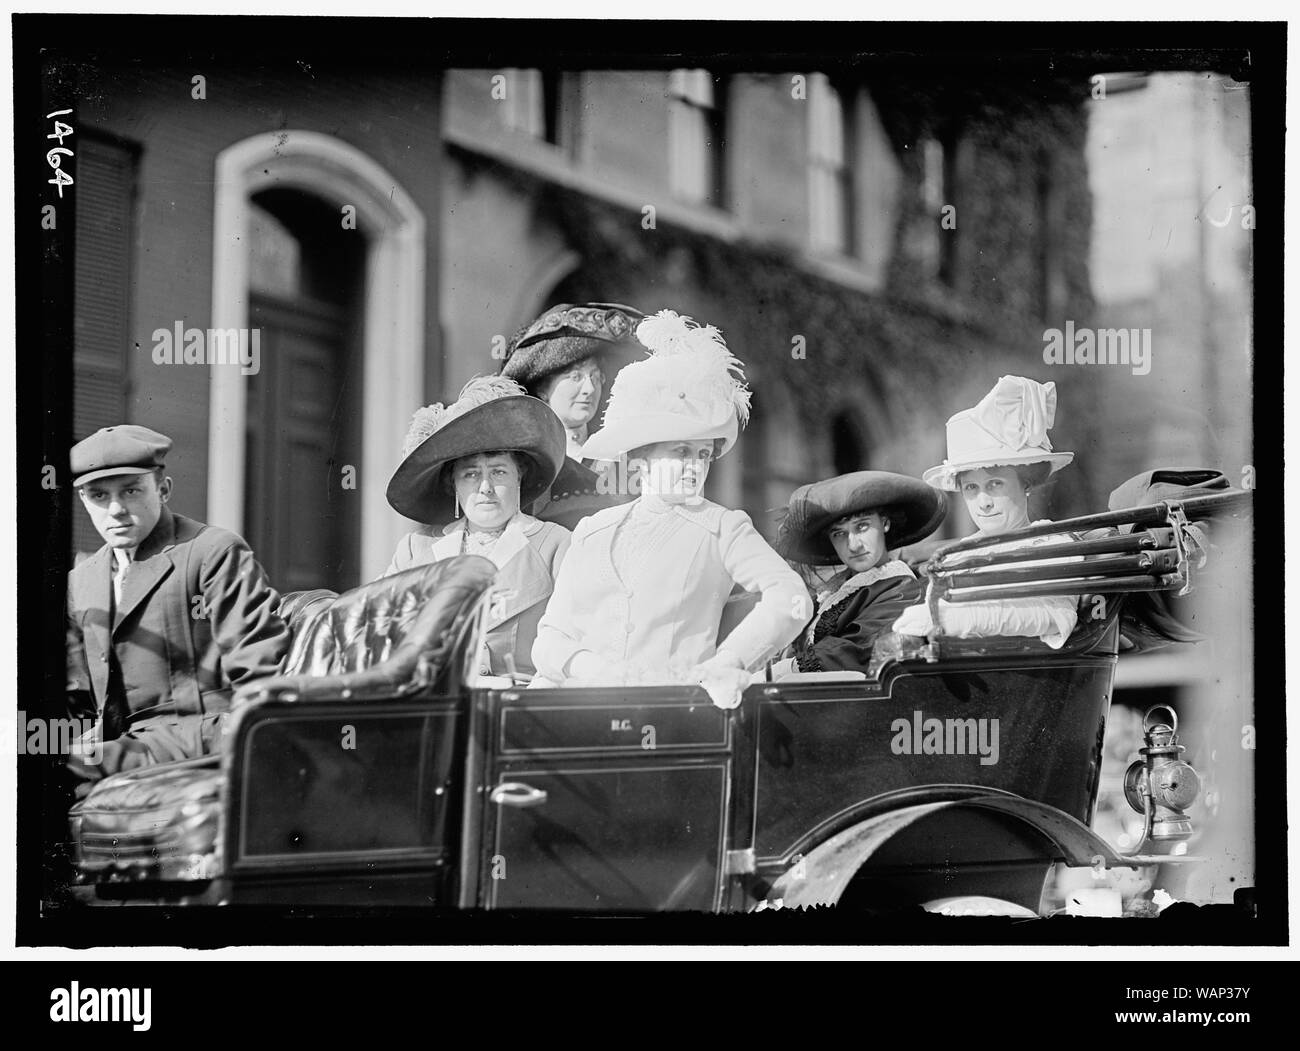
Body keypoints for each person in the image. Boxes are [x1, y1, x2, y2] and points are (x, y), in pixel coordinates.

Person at [531, 310, 808, 709]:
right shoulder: (593, 531)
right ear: (641, 460)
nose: (695, 465)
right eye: (680, 451)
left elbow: (791, 598)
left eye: (703, 454)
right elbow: (551, 639)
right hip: (582, 715)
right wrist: (592, 670)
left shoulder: (722, 528)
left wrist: (729, 662)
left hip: (674, 717)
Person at [66, 425, 291, 786]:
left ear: (163, 489)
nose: (117, 510)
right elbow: (76, 695)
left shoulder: (211, 552)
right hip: (124, 743)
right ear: (83, 501)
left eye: (131, 491)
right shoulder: (82, 580)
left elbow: (258, 666)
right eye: (98, 496)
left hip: (202, 735)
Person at [384, 376, 571, 681]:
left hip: (519, 708)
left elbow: (574, 638)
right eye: (471, 475)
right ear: (453, 484)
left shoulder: (556, 545)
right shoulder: (414, 551)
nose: (485, 487)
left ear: (519, 478)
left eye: (498, 472)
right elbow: (380, 633)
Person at [892, 375, 1079, 647]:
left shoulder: (1053, 545)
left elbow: (1054, 616)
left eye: (995, 484)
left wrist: (968, 619)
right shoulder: (954, 557)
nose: (984, 502)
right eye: (970, 488)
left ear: (1025, 484)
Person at [771, 471, 946, 676]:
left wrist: (783, 669)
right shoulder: (834, 593)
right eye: (839, 533)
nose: (853, 545)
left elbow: (857, 650)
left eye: (862, 526)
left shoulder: (900, 589)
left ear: (885, 524)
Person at [499, 302, 645, 528]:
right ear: (542, 389)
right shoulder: (524, 464)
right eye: (576, 377)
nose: (589, 389)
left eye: (596, 377)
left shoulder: (624, 459)